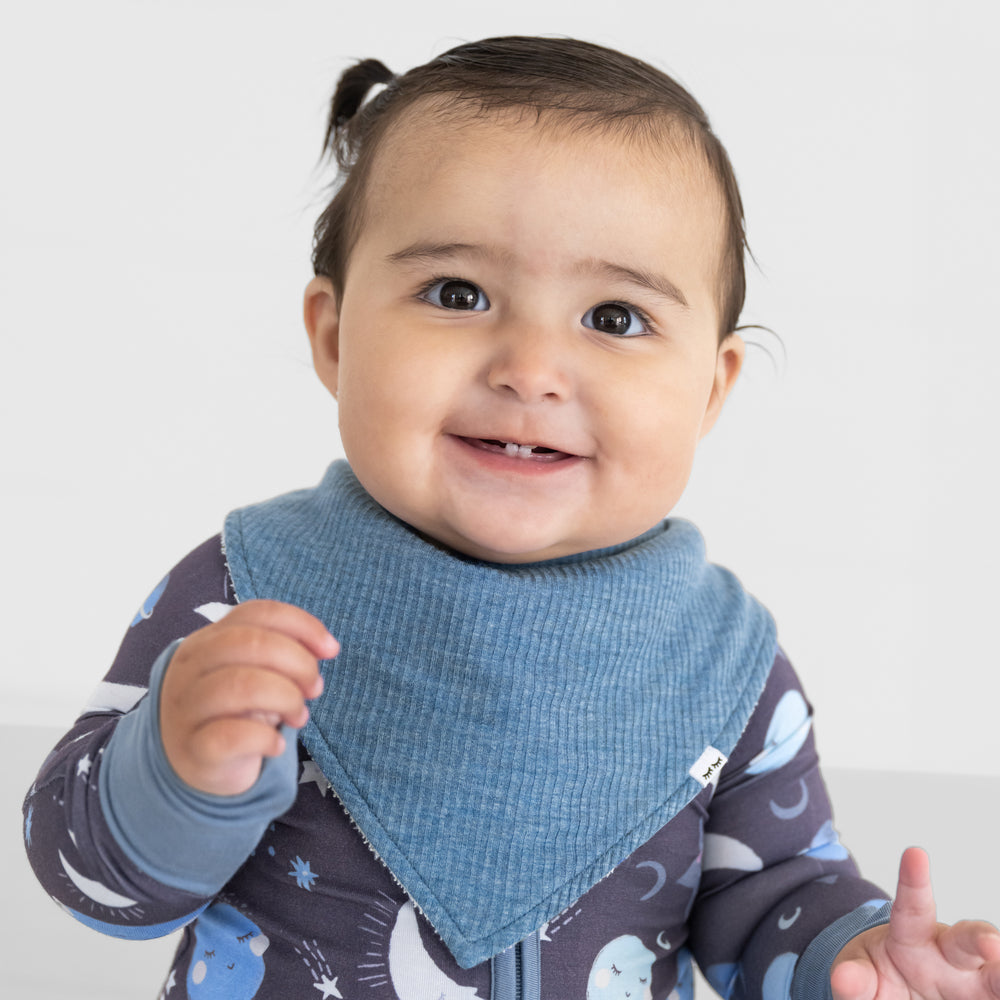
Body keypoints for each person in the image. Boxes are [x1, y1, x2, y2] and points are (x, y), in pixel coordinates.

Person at [22, 35, 1000, 1000]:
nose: (529, 368)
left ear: (711, 386)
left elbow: (773, 895)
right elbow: (96, 888)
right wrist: (175, 770)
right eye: (457, 292)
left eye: (614, 317)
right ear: (330, 335)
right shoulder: (243, 591)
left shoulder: (721, 662)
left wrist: (853, 955)